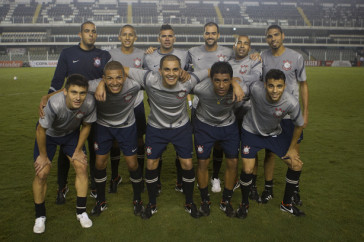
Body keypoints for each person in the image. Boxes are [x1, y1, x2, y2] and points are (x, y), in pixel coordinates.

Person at [96, 55, 207, 219]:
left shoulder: (189, 80)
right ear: (159, 70)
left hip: (181, 127)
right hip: (156, 128)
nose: (171, 73)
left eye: (175, 69)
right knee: (151, 164)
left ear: (181, 70)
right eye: (167, 69)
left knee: (188, 164)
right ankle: (152, 203)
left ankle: (190, 202)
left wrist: (234, 83)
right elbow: (120, 68)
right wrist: (101, 83)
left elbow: (212, 71)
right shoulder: (149, 78)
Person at [41, 21, 111, 203]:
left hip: (92, 109)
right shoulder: (67, 53)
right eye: (87, 31)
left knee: (94, 148)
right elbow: (57, 80)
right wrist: (48, 99)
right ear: (80, 34)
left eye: (94, 31)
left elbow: (109, 76)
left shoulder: (103, 55)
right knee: (66, 148)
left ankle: (95, 185)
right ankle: (62, 186)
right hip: (69, 110)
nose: (91, 34)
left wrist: (103, 82)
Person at [236, 69, 305, 219]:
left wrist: (292, 148)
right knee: (247, 169)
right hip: (251, 132)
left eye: (279, 86)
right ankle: (244, 204)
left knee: (296, 165)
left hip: (273, 134)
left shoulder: (291, 102)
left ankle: (286, 204)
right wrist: (235, 84)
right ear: (265, 84)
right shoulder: (255, 88)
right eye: (271, 86)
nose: (275, 90)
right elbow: (240, 84)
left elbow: (299, 125)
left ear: (285, 86)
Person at [33, 74, 96, 233]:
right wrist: (43, 156)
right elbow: (41, 130)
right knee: (42, 173)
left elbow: (87, 126)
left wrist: (78, 150)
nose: (78, 97)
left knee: (81, 166)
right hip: (49, 136)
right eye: (74, 92)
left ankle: (81, 212)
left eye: (82, 93)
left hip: (71, 135)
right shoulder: (54, 104)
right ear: (65, 92)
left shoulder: (89, 103)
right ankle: (40, 216)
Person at [259, 25, 308, 205]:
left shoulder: (296, 57)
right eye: (269, 36)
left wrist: (306, 112)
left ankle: (294, 191)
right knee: (270, 153)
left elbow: (303, 84)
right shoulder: (262, 57)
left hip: (290, 115)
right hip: (270, 115)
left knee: (294, 152)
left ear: (283, 36)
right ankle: (268, 189)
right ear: (266, 39)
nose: (273, 39)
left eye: (276, 35)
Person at [88, 61, 144, 216]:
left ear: (124, 77)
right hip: (103, 126)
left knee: (132, 164)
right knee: (99, 163)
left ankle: (137, 200)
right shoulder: (93, 85)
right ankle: (101, 201)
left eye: (119, 78)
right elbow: (70, 88)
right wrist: (47, 97)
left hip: (126, 126)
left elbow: (157, 81)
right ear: (104, 78)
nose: (114, 82)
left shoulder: (134, 85)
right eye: (110, 79)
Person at [193, 62, 244, 217]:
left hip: (228, 126)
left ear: (231, 79)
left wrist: (236, 83)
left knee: (233, 162)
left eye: (226, 80)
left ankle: (226, 201)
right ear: (211, 79)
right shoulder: (200, 88)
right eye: (217, 80)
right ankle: (204, 201)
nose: (221, 85)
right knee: (202, 162)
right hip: (204, 125)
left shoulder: (241, 89)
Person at [143, 24, 190, 194]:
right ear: (159, 38)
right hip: (157, 107)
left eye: (170, 35)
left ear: (174, 38)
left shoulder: (184, 55)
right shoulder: (148, 56)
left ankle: (180, 181)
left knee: (182, 152)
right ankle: (156, 182)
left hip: (178, 108)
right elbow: (144, 79)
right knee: (157, 151)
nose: (167, 38)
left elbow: (190, 75)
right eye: (164, 36)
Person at [188, 22, 234, 193]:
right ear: (203, 34)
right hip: (200, 104)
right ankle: (199, 176)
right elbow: (185, 73)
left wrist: (255, 56)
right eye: (207, 33)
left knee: (219, 145)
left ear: (218, 35)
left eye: (213, 33)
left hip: (221, 105)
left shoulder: (228, 52)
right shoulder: (192, 52)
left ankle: (215, 176)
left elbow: (239, 66)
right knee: (201, 144)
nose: (210, 36)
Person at [107, 24, 146, 193]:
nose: (128, 37)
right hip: (116, 104)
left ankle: (140, 176)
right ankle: (115, 176)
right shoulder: (110, 55)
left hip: (136, 102)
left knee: (139, 140)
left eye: (131, 35)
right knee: (115, 140)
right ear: (119, 37)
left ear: (135, 37)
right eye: (125, 34)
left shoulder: (143, 54)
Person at [228, 35, 262, 203]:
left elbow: (256, 77)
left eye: (245, 44)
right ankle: (234, 180)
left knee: (251, 149)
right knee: (233, 148)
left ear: (250, 47)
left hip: (250, 111)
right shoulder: (228, 62)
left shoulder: (255, 61)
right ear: (234, 46)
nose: (242, 46)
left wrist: (236, 79)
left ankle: (252, 185)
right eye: (239, 43)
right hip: (230, 111)